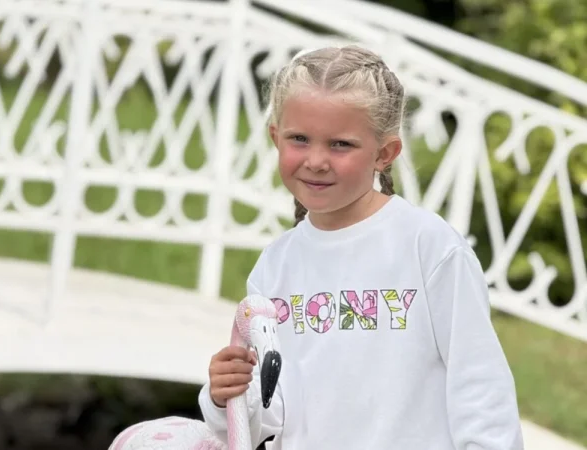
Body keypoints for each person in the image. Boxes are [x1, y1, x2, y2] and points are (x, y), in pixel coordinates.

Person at [198, 45, 524, 450]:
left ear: (384, 154)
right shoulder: (274, 265)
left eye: (340, 144)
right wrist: (225, 396)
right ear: (275, 137)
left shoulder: (429, 247)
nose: (316, 160)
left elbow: (480, 387)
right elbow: (271, 413)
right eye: (299, 139)